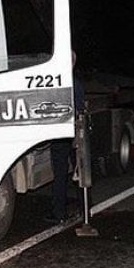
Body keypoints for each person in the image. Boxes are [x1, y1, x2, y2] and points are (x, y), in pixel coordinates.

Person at [46, 51, 85, 224]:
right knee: (80, 172)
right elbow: (80, 108)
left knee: (60, 174)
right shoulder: (76, 84)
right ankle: (84, 209)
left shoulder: (57, 84)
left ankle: (59, 212)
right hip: (75, 133)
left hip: (61, 134)